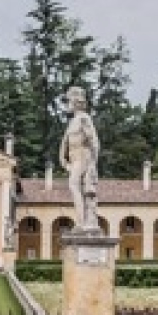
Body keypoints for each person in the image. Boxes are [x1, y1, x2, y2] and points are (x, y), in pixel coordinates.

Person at [58, 86, 100, 233]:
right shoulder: (73, 121)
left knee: (74, 185)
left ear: (76, 102)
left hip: (83, 156)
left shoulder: (84, 118)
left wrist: (93, 164)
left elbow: (94, 141)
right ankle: (83, 221)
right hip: (75, 158)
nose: (68, 104)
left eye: (69, 101)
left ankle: (82, 222)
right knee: (77, 187)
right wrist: (63, 160)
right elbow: (64, 142)